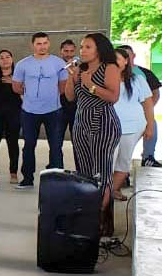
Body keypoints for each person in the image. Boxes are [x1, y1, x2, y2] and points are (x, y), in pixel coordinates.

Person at [64, 34, 121, 224]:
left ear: (99, 49)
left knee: (102, 172)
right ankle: (88, 215)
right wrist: (73, 78)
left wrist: (91, 85)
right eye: (82, 47)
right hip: (81, 121)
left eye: (88, 47)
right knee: (85, 172)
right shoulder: (81, 69)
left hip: (103, 120)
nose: (82, 51)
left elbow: (113, 97)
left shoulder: (110, 67)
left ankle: (101, 219)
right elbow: (70, 97)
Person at [11, 32, 70, 189]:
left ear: (49, 44)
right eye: (39, 43)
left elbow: (63, 87)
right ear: (33, 45)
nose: (42, 46)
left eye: (44, 43)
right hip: (29, 111)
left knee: (56, 145)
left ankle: (57, 179)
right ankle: (27, 178)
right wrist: (31, 95)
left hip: (53, 110)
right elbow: (16, 86)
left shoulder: (59, 63)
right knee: (29, 145)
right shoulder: (23, 64)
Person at [111, 47, 154, 201]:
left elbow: (148, 104)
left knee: (124, 161)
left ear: (126, 61)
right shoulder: (105, 78)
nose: (114, 62)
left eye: (117, 59)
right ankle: (107, 193)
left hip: (133, 128)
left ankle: (111, 191)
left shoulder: (138, 79)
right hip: (110, 128)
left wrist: (150, 126)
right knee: (108, 162)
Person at [120, 45, 161, 167]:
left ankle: (148, 156)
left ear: (133, 56)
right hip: (122, 117)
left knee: (152, 126)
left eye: (128, 55)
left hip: (141, 113)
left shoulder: (144, 74)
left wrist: (146, 111)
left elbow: (155, 94)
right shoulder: (112, 74)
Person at [0, 49, 22, 184]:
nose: (5, 59)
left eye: (8, 57)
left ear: (12, 60)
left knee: (13, 143)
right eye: (1, 57)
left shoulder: (19, 76)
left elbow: (26, 91)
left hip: (14, 113)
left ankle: (13, 173)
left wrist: (14, 82)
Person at [59, 38, 79, 133]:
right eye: (66, 51)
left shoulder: (81, 66)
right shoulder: (55, 65)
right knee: (57, 136)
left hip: (76, 105)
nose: (69, 54)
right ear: (61, 51)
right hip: (59, 105)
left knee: (76, 136)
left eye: (71, 51)